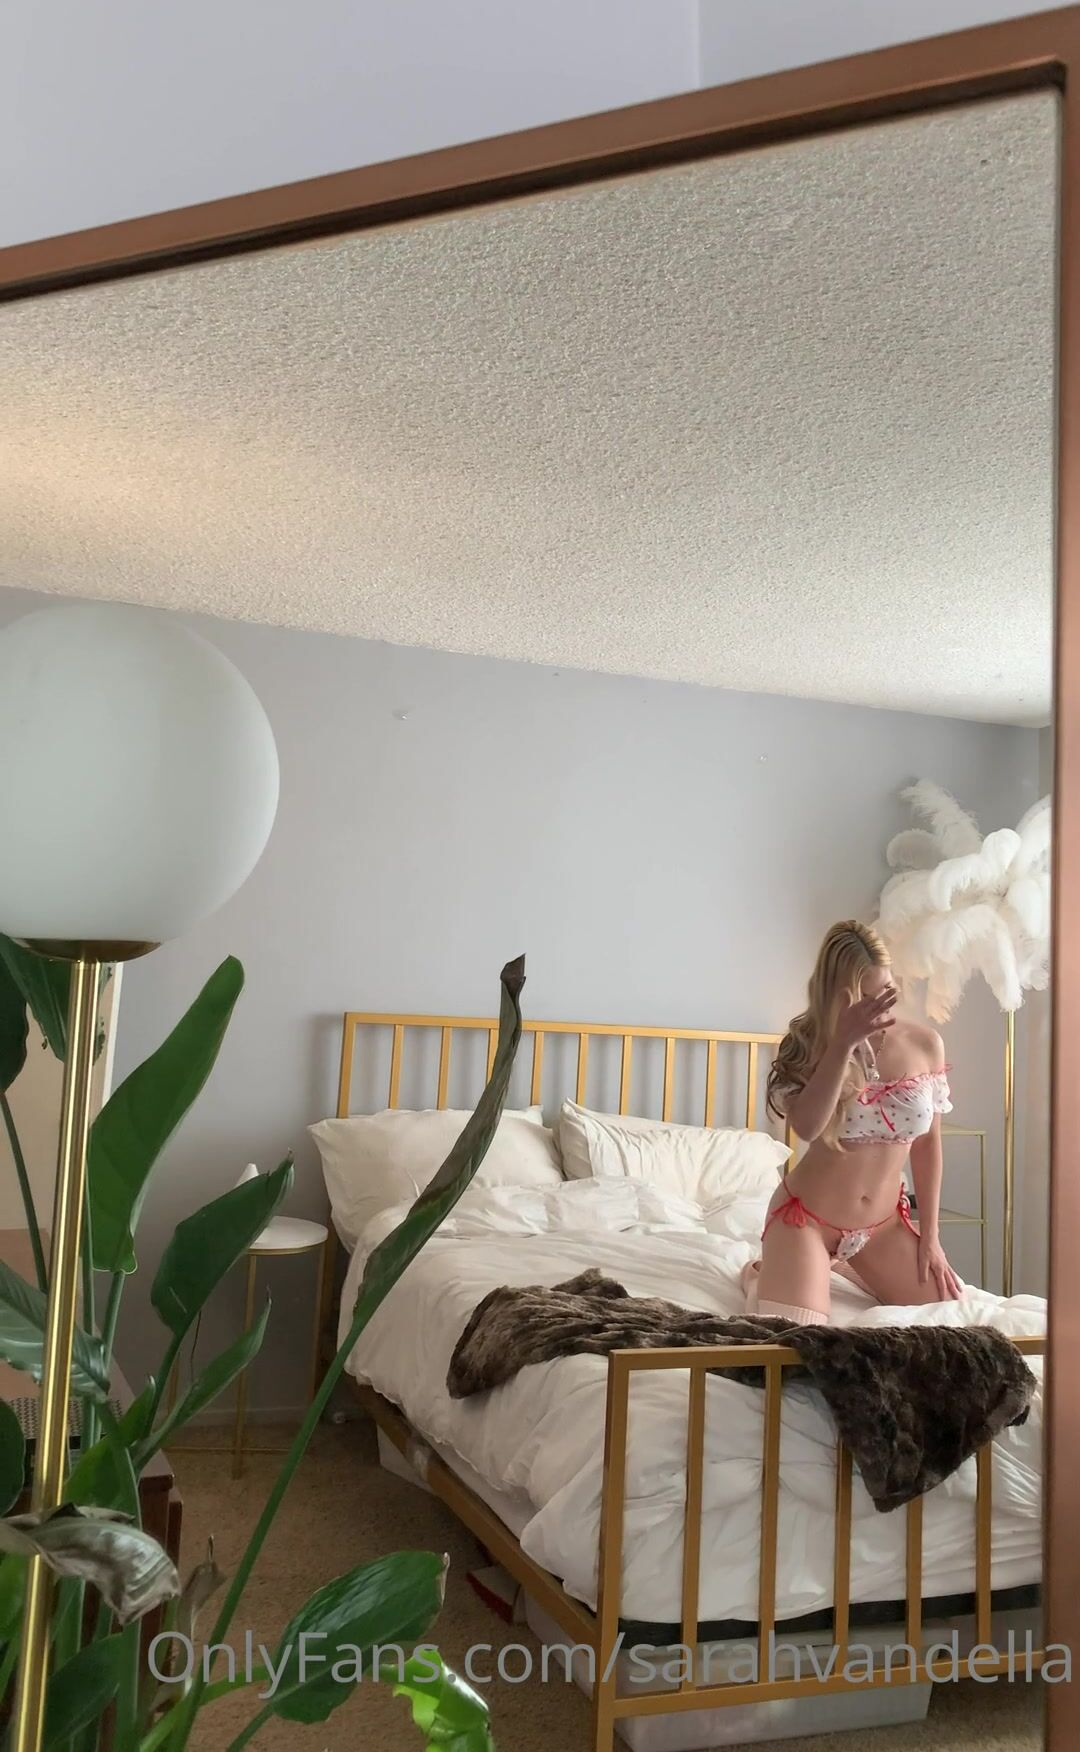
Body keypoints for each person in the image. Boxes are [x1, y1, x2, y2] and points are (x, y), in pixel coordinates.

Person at [741, 919, 963, 1326]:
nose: (881, 1008)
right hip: (807, 1221)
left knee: (945, 1318)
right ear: (837, 993)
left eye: (888, 991)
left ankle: (844, 1268)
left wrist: (930, 1236)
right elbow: (808, 1127)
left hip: (883, 1228)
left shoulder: (925, 1043)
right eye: (867, 998)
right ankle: (765, 1274)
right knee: (799, 1334)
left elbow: (928, 1145)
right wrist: (843, 1044)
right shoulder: (805, 1044)